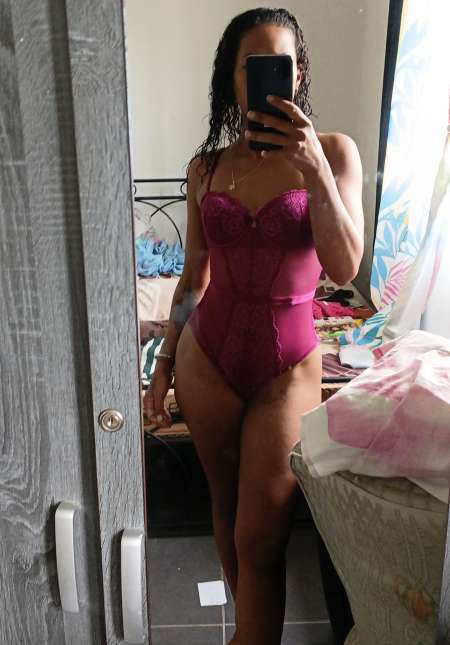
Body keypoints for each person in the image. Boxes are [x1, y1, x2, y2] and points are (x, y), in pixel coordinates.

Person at [143, 7, 364, 644]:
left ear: (298, 75)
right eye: (254, 65)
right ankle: (250, 626)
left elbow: (345, 266)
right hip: (207, 360)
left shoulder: (334, 153)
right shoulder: (206, 168)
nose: (271, 77)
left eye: (283, 64)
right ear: (232, 79)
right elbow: (192, 279)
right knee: (224, 507)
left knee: (261, 534)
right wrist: (163, 363)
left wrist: (314, 172)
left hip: (288, 367)